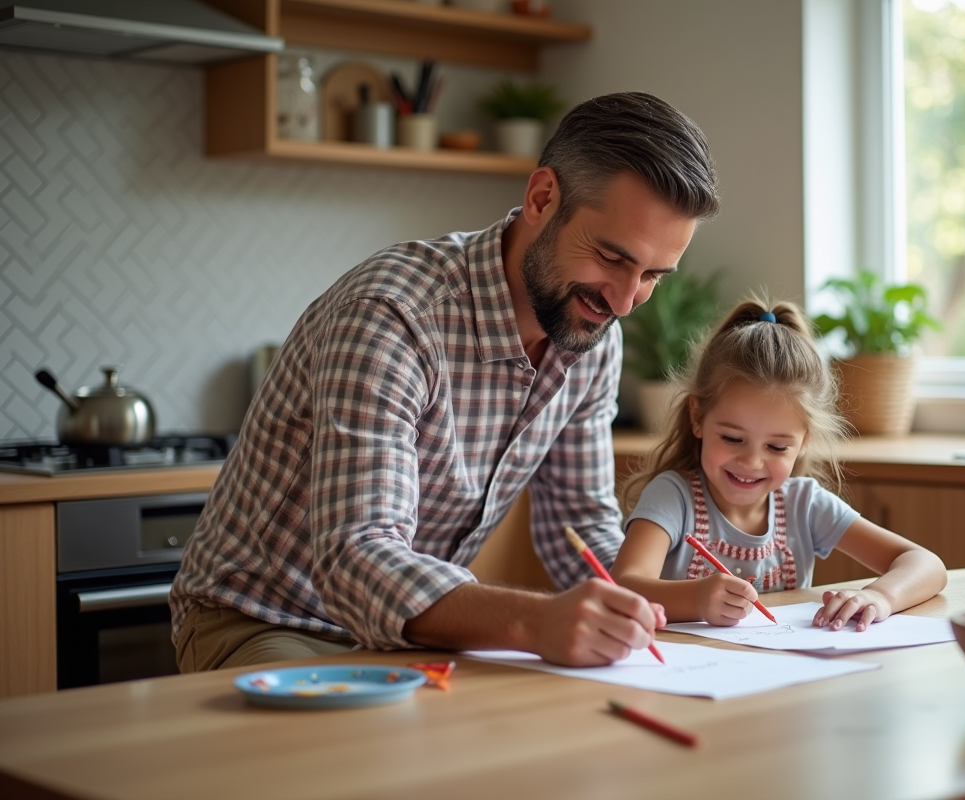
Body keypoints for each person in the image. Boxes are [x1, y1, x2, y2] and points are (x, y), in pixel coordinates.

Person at [169, 92, 720, 670]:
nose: (626, 300)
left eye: (653, 275)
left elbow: (578, 526)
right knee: (361, 756)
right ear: (541, 198)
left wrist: (683, 598)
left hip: (407, 633)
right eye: (611, 257)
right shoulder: (393, 315)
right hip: (269, 619)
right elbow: (357, 557)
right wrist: (536, 621)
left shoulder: (592, 332)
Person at [610, 297, 947, 629]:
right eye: (731, 438)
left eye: (776, 446)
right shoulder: (673, 497)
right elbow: (624, 585)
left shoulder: (804, 503)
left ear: (803, 443)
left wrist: (881, 596)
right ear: (697, 418)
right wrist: (696, 599)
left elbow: (926, 564)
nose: (751, 461)